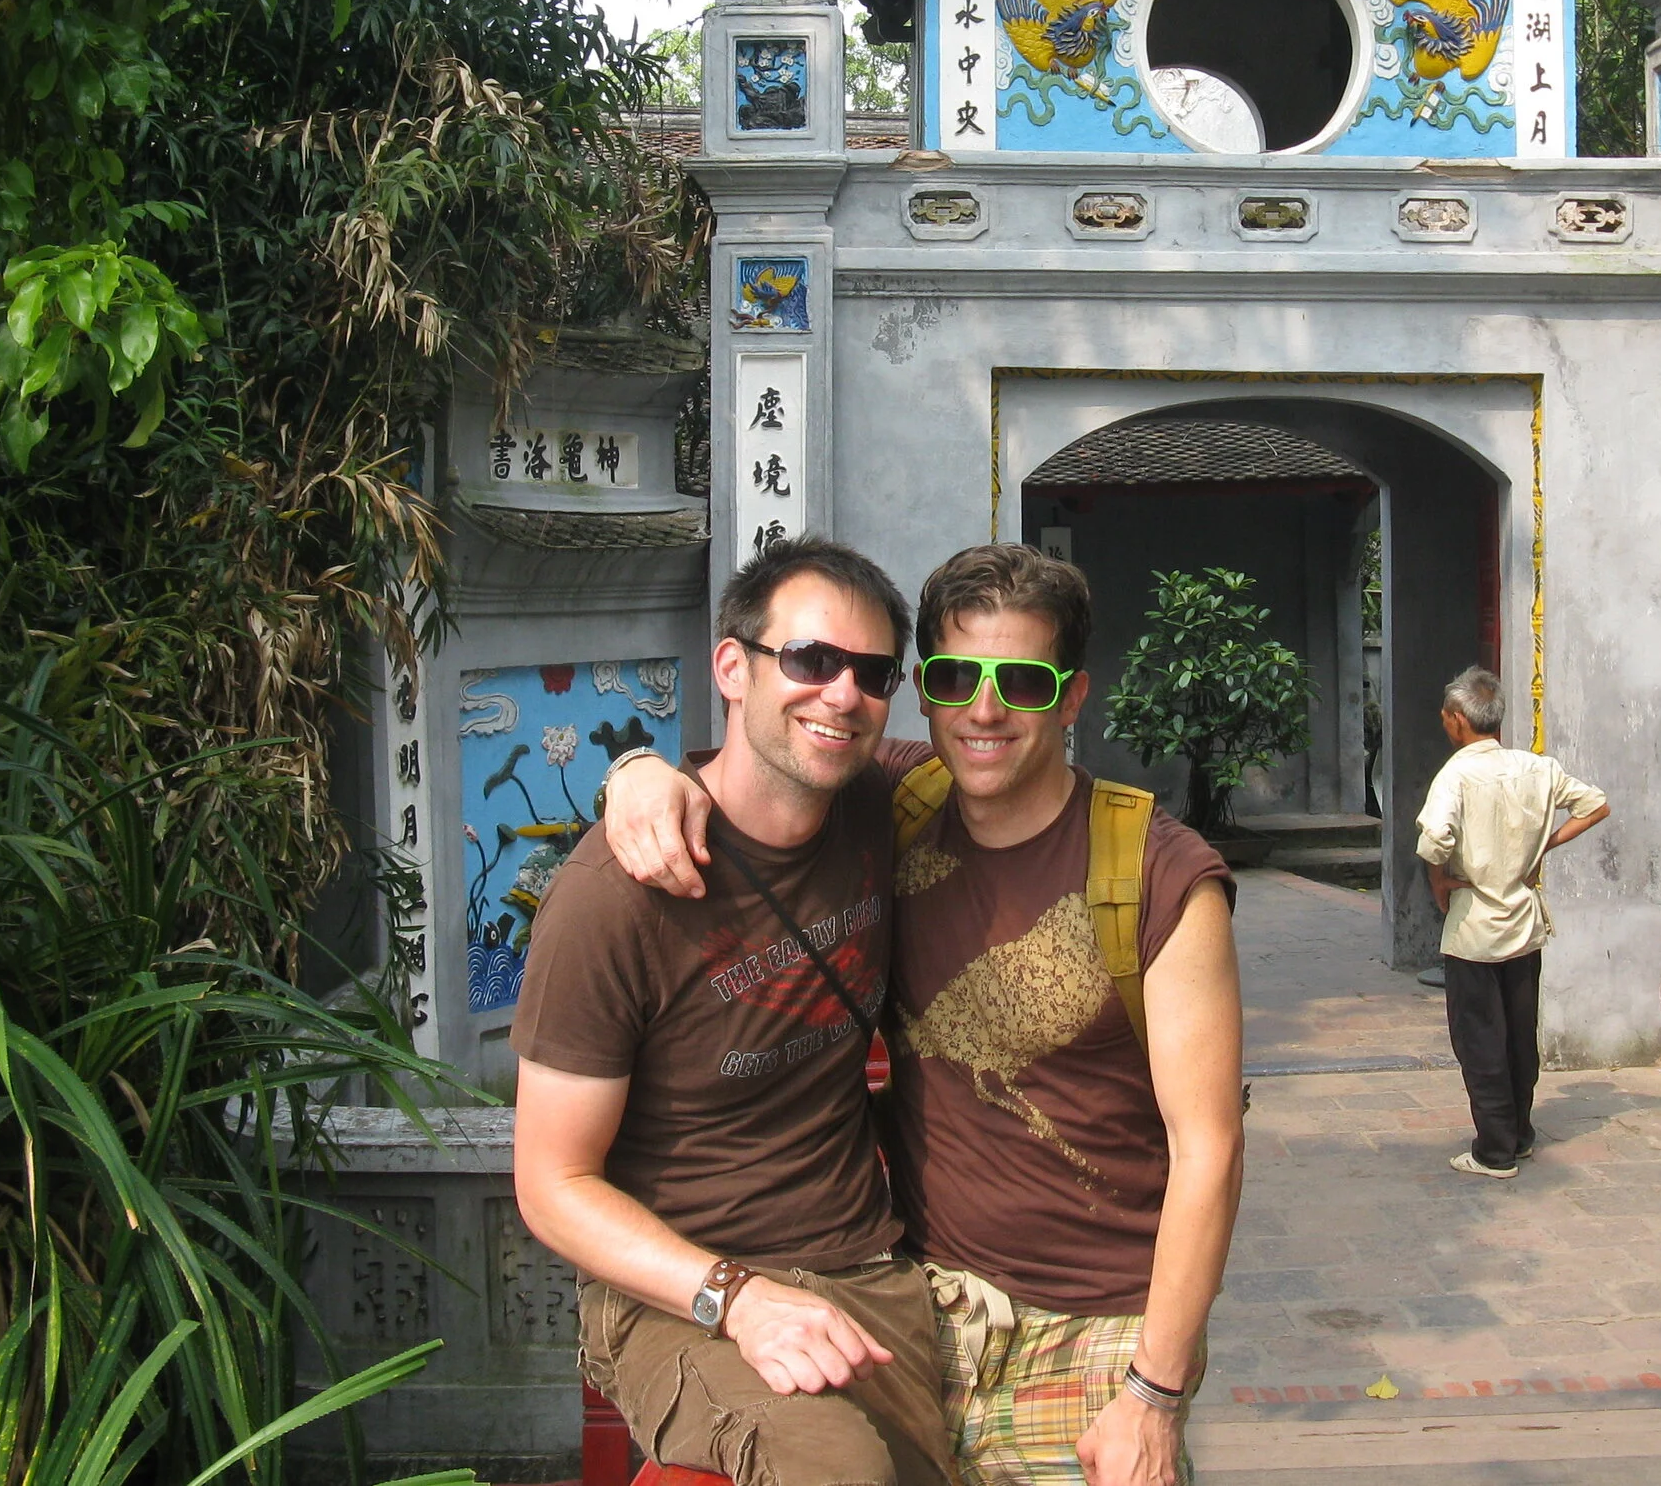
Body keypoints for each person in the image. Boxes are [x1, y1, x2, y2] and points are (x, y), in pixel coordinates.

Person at [601, 543, 1247, 1486]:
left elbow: (1211, 1149)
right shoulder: (895, 801)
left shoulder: (1155, 874)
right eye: (957, 678)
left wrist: (1155, 1392)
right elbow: (759, 768)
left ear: (1070, 697)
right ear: (924, 692)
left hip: (1094, 1331)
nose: (985, 711)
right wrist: (634, 772)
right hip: (913, 1308)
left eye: (1022, 681)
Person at [509, 537, 954, 1486]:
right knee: (835, 1475)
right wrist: (737, 1297)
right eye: (809, 659)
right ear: (731, 667)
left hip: (867, 1269)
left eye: (873, 674)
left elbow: (1011, 762)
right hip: (684, 1288)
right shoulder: (613, 894)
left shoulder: (878, 797)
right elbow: (550, 1183)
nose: (842, 694)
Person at [1412, 666, 1609, 1178]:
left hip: (1475, 924)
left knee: (1479, 1038)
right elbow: (1595, 804)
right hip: (1522, 919)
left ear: (1458, 720)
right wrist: (1547, 843)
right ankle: (1519, 1133)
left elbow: (1434, 840)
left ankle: (1494, 1149)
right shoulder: (1536, 768)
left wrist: (1438, 880)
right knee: (1520, 1034)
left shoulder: (1456, 774)